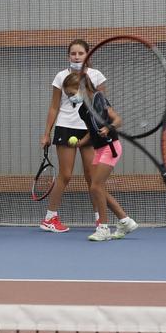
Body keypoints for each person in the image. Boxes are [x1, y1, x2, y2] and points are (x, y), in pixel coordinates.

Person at [38, 37, 101, 233]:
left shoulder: (97, 76)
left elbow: (102, 105)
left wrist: (102, 128)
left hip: (90, 130)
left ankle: (100, 219)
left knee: (93, 176)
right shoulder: (60, 77)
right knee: (65, 175)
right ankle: (50, 218)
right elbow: (54, 106)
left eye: (80, 53)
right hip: (65, 127)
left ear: (87, 55)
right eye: (73, 53)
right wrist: (46, 133)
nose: (76, 56)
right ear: (68, 56)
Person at [73, 71, 139, 243]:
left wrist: (109, 127)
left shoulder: (99, 99)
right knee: (98, 188)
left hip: (111, 147)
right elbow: (91, 130)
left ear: (83, 86)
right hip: (99, 149)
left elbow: (118, 119)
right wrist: (82, 142)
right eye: (68, 94)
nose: (71, 96)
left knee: (95, 186)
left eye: (72, 92)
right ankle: (125, 221)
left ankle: (103, 228)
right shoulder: (82, 109)